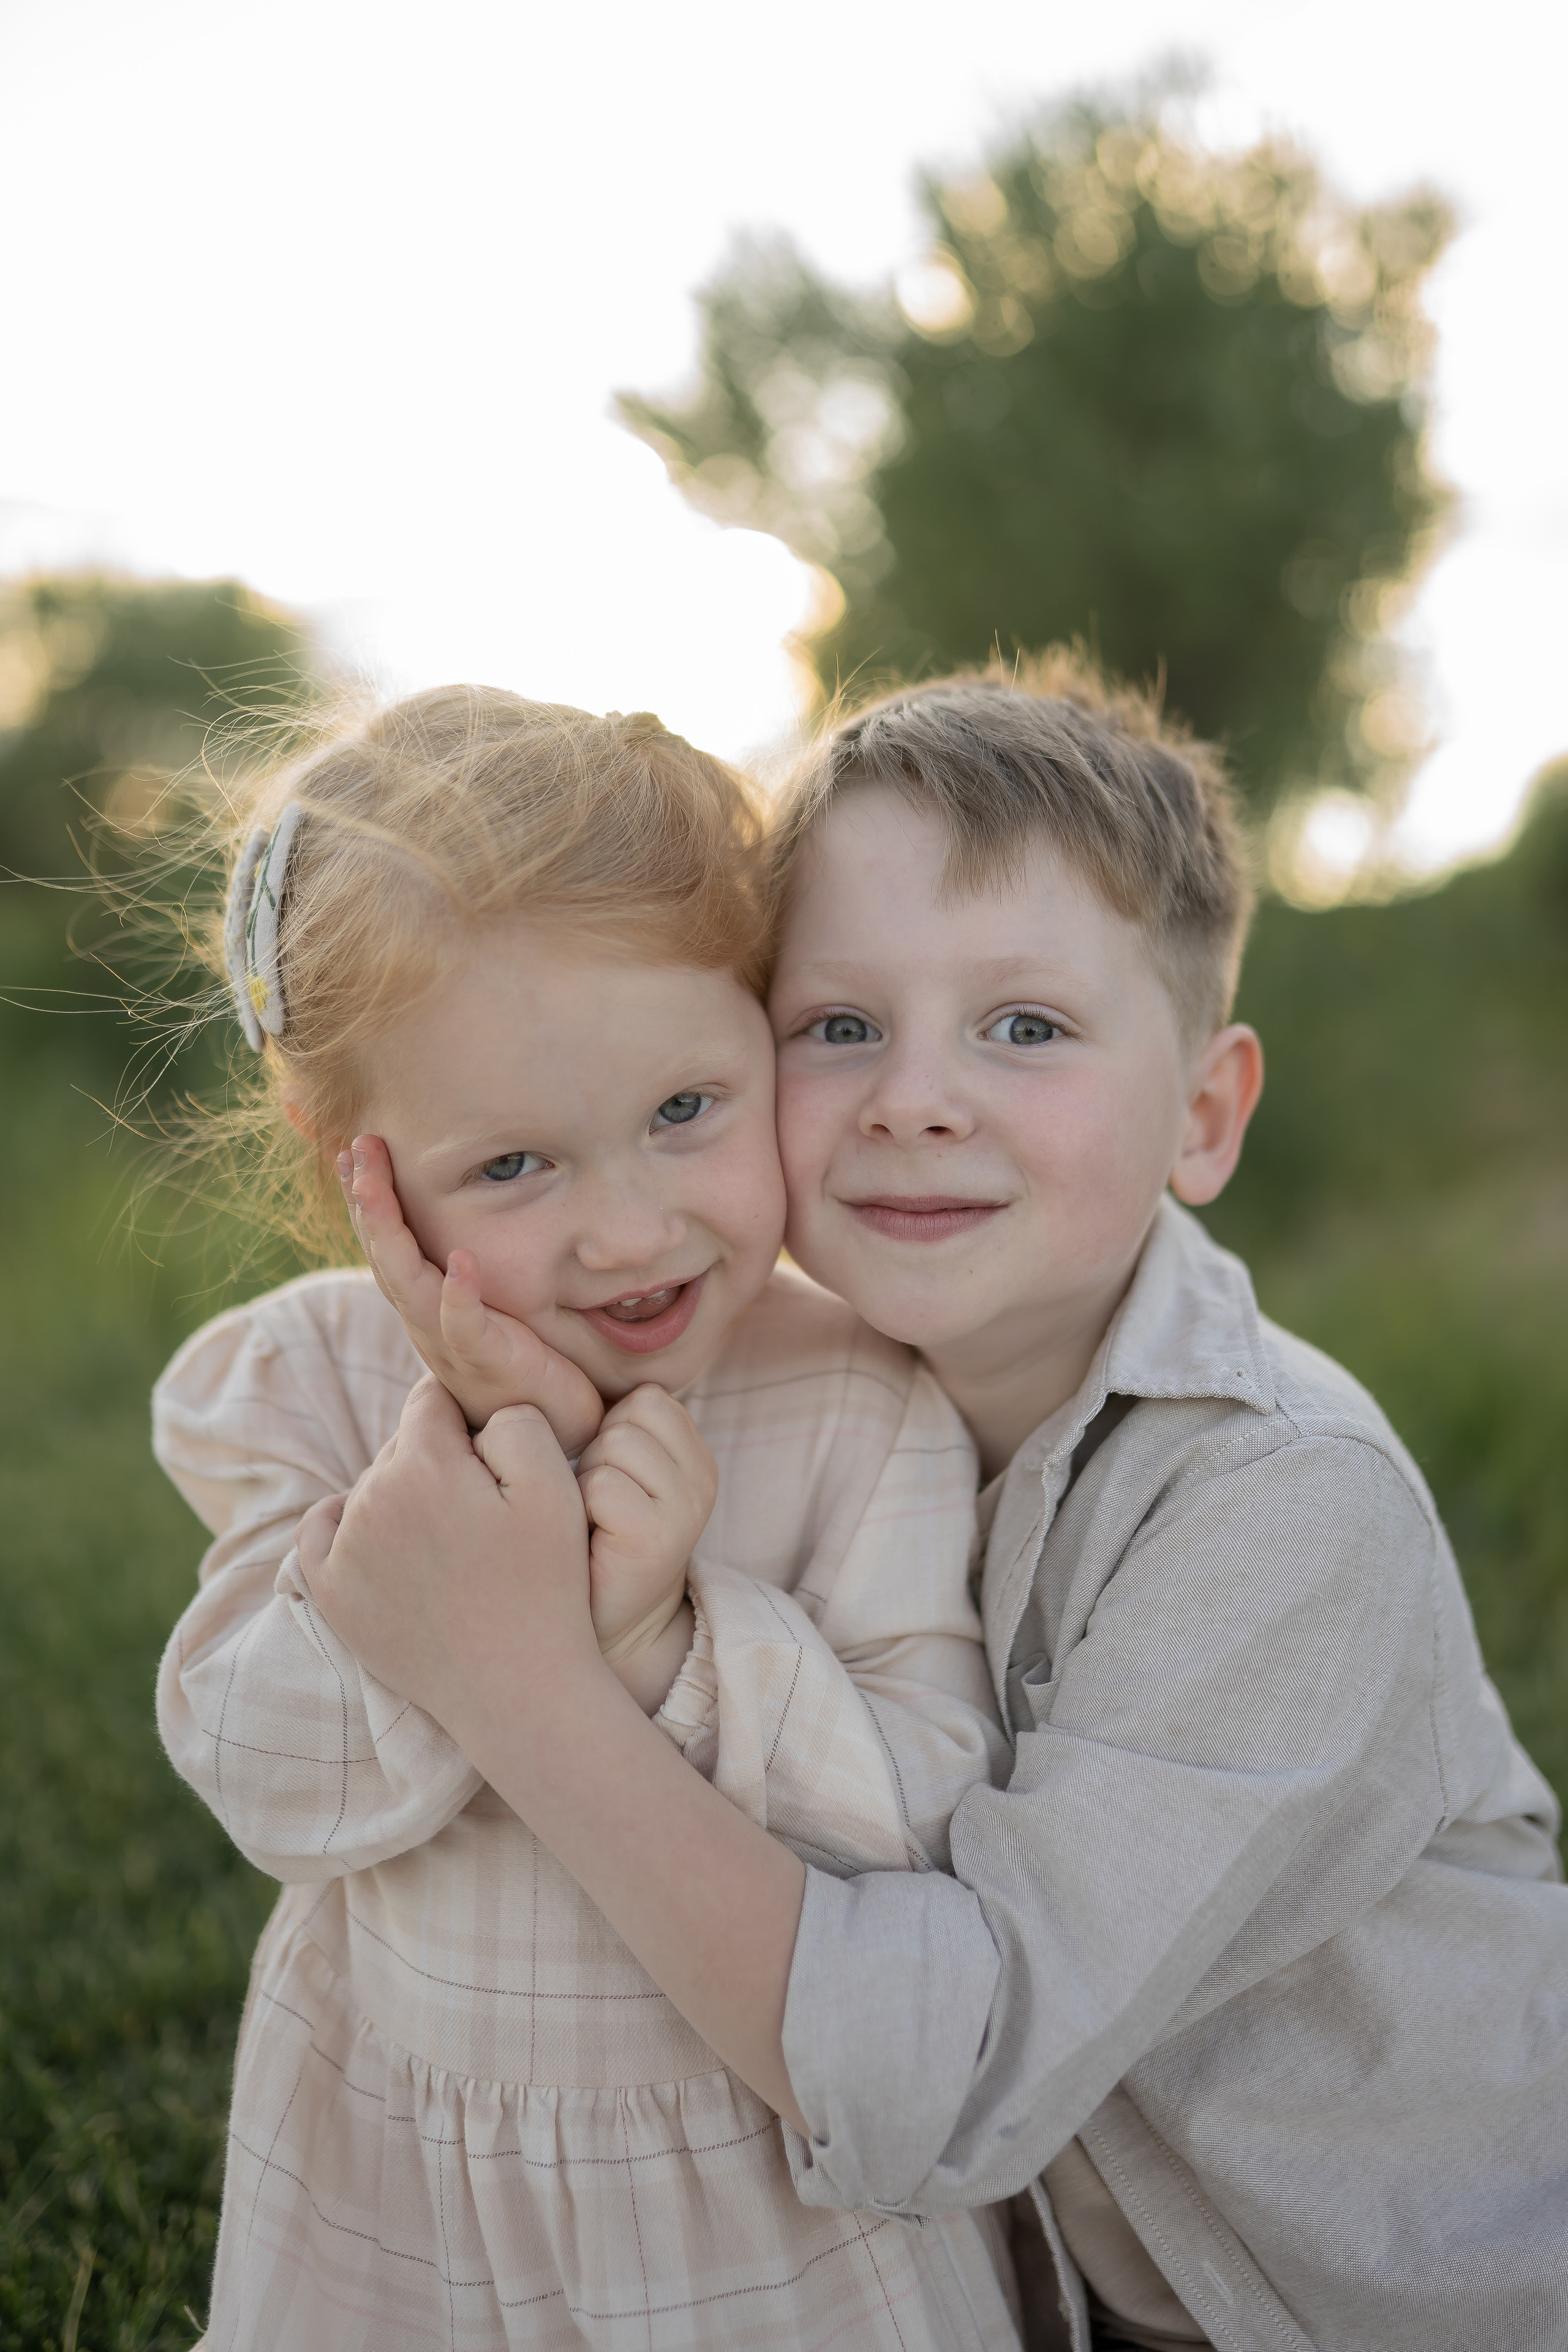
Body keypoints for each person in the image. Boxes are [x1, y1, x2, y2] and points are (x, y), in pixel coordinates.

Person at [298, 658, 1568, 2352]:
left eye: (1024, 1027)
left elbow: (943, 2080)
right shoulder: (778, 1391)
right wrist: (499, 1362)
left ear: (1204, 1114)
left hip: (1415, 2302)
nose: (914, 1095)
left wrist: (517, 1682)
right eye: (840, 1027)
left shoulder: (1283, 1510)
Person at [153, 685, 1025, 2350]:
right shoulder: (311, 1388)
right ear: (356, 1165)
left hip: (760, 2213)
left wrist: (661, 1643)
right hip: (411, 2196)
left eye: (686, 1113)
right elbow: (272, 1783)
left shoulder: (855, 1396)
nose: (630, 1234)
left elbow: (919, 1826)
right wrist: (483, 1466)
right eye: (514, 1170)